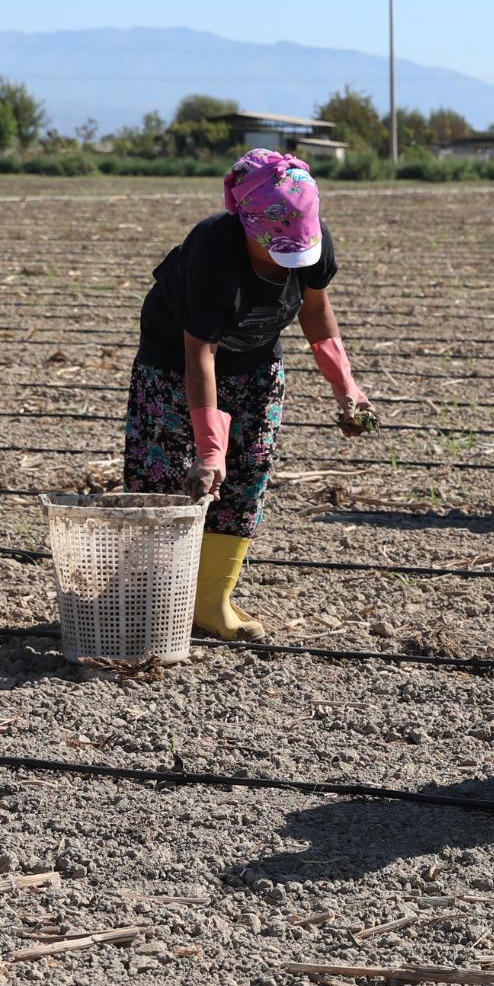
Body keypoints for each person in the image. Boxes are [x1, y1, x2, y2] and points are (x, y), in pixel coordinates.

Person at [127, 149, 373, 641]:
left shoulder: (314, 242)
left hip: (257, 360)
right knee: (166, 475)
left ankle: (210, 601)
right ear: (247, 225)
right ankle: (148, 598)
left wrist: (346, 387)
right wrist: (208, 449)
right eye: (275, 249)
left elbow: (315, 311)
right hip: (175, 364)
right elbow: (200, 353)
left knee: (245, 479)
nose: (287, 261)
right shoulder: (212, 250)